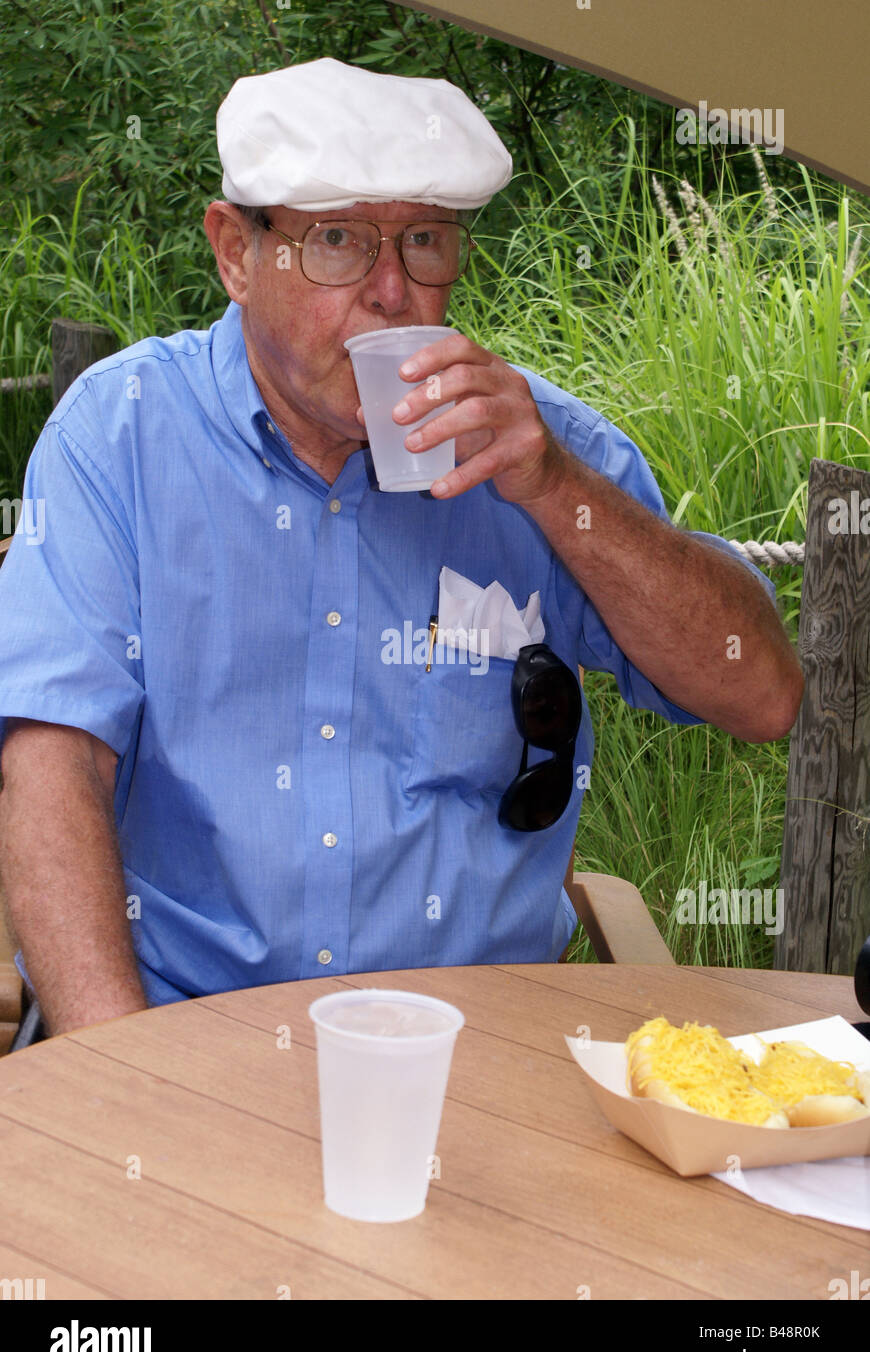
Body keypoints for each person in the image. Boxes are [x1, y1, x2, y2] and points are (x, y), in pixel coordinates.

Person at [0, 58, 803, 1042]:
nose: (391, 292)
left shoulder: (540, 445)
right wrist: (126, 1075)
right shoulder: (120, 436)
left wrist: (556, 490)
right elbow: (51, 766)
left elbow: (761, 692)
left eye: (423, 241)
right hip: (189, 1036)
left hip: (476, 1056)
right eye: (337, 240)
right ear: (235, 253)